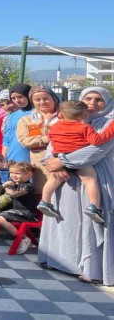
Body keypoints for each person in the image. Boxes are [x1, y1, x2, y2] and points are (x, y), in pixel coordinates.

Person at [41, 87, 113, 285]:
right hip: (65, 180)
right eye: (88, 98)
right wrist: (52, 162)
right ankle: (60, 260)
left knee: (91, 224)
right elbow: (52, 144)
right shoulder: (63, 122)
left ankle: (91, 268)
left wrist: (62, 161)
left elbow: (98, 150)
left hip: (97, 176)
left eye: (98, 99)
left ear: (107, 102)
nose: (92, 103)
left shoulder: (108, 122)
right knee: (64, 219)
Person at [38, 100, 114, 223]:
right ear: (85, 115)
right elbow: (97, 140)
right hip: (78, 159)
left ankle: (45, 201)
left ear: (61, 115)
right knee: (90, 181)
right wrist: (112, 127)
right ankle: (94, 207)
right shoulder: (84, 127)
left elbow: (51, 139)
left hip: (58, 156)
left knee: (52, 181)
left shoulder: (55, 127)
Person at [16, 86, 60, 192]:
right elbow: (24, 140)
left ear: (54, 99)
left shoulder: (64, 117)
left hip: (60, 160)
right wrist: (47, 139)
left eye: (46, 98)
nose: (42, 102)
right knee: (43, 191)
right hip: (40, 164)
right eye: (37, 99)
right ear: (32, 102)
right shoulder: (27, 120)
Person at [2, 83, 33, 162]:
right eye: (13, 98)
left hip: (31, 155)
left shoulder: (37, 113)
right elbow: (7, 139)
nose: (17, 100)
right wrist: (4, 158)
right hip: (12, 155)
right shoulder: (12, 116)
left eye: (20, 97)